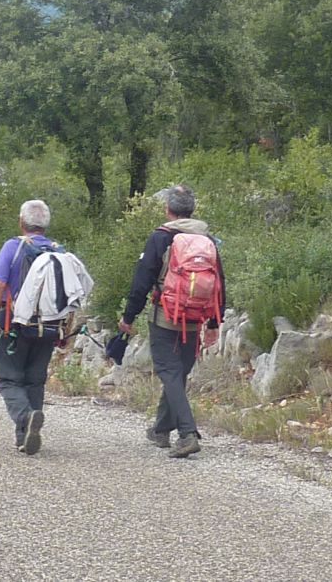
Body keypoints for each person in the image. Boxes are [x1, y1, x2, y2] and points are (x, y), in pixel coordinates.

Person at [118, 185, 226, 459]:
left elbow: (142, 280)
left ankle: (188, 433)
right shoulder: (208, 239)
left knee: (169, 372)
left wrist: (128, 317)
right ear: (192, 210)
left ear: (168, 210)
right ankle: (160, 430)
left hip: (165, 315)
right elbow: (219, 284)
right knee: (178, 374)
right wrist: (214, 322)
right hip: (195, 319)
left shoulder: (161, 237)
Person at [0, 199, 63, 456]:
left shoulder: (13, 246)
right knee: (35, 380)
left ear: (21, 222)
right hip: (49, 324)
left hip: (14, 322)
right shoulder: (59, 251)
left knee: (8, 379)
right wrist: (65, 330)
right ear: (45, 225)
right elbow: (70, 296)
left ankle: (26, 418)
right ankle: (24, 437)